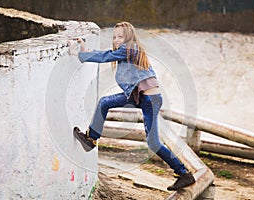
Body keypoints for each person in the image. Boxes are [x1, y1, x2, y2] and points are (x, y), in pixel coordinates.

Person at [70, 22, 195, 190]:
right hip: (140, 97)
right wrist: (84, 51)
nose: (116, 40)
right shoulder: (127, 52)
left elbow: (105, 56)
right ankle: (91, 138)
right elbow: (108, 56)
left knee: (153, 143)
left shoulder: (130, 48)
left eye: (120, 37)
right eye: (114, 37)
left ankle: (184, 174)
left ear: (128, 37)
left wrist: (80, 53)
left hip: (149, 99)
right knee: (105, 103)